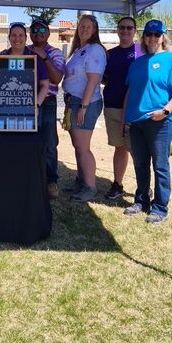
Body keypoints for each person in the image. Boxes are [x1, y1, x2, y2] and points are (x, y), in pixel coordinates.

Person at [123, 19, 172, 224]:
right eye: (149, 34)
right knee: (140, 163)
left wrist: (165, 111)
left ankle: (160, 207)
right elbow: (129, 92)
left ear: (163, 38)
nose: (152, 38)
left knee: (160, 165)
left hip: (160, 122)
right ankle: (141, 200)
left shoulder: (171, 60)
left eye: (157, 34)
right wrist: (124, 120)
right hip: (136, 121)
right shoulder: (136, 63)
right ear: (144, 38)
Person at [62, 14, 107, 202]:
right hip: (73, 102)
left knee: (83, 147)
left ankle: (90, 186)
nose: (84, 29)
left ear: (95, 30)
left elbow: (93, 80)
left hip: (84, 102)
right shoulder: (80, 50)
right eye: (81, 26)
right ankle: (80, 180)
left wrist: (83, 106)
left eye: (89, 27)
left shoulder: (95, 50)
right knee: (77, 146)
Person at [102, 16, 143, 201]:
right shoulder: (110, 54)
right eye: (122, 28)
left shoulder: (142, 52)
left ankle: (144, 187)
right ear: (117, 30)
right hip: (112, 106)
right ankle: (117, 184)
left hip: (135, 109)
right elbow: (104, 78)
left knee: (136, 149)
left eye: (129, 28)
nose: (125, 31)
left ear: (135, 30)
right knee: (120, 147)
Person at [27, 18, 66, 200]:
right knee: (26, 141)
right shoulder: (24, 51)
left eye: (42, 30)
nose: (38, 34)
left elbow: (57, 78)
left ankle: (51, 180)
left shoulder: (56, 53)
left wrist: (44, 57)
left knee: (49, 143)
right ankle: (30, 178)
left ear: (49, 33)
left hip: (48, 103)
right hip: (25, 103)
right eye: (34, 30)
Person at [0, 22, 50, 111]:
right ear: (9, 38)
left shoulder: (36, 59)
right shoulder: (0, 59)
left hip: (30, 111)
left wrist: (36, 105)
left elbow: (45, 85)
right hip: (4, 110)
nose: (17, 38)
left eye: (21, 35)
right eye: (14, 35)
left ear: (26, 38)